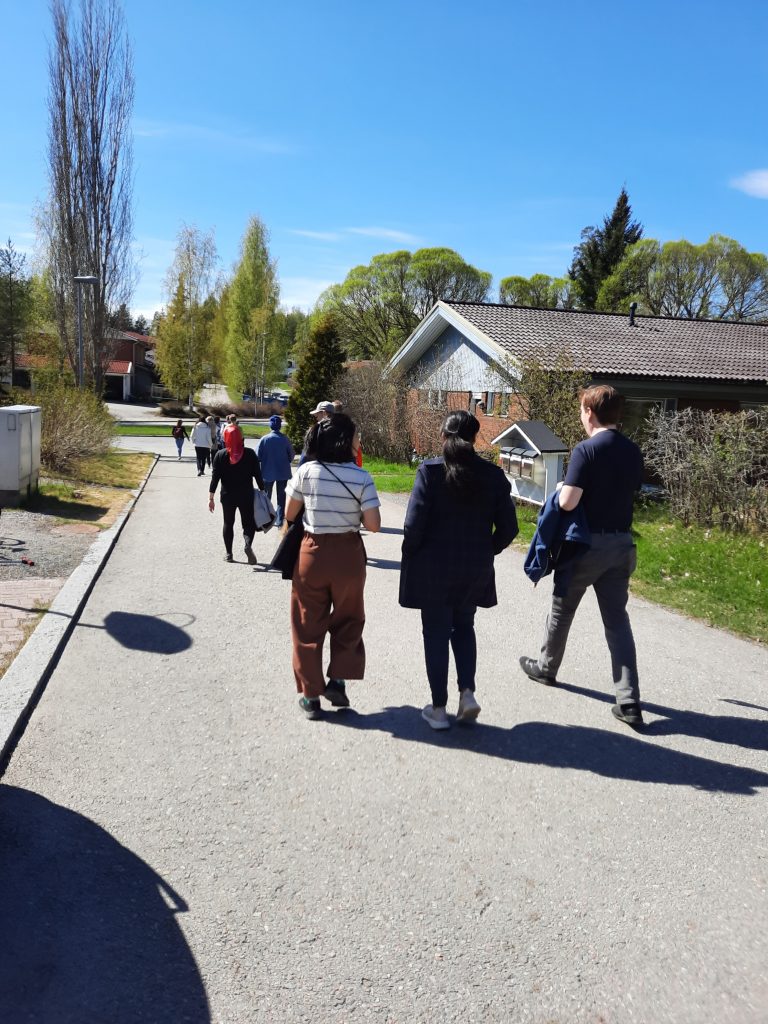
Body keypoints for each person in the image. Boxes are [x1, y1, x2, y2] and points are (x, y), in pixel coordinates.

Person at [518, 385, 645, 727]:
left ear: (589, 412)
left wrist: (560, 490)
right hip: (621, 545)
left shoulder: (586, 451)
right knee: (617, 622)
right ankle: (629, 700)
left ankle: (546, 669)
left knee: (562, 609)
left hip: (587, 545)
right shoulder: (633, 451)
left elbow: (569, 502)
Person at [399, 411, 518, 730]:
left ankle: (438, 710)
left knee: (436, 633)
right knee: (464, 626)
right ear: (476, 438)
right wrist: (485, 550)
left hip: (433, 570)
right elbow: (509, 528)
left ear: (443, 436)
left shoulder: (430, 471)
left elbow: (413, 525)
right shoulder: (493, 476)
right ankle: (467, 694)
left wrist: (410, 554)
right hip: (473, 569)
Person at [284, 413, 381, 719]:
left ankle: (311, 697)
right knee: (349, 618)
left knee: (306, 624)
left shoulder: (307, 471)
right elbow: (374, 525)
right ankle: (337, 680)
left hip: (311, 553)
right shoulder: (362, 477)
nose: (359, 442)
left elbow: (289, 512)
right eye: (356, 436)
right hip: (349, 555)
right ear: (344, 440)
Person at [208, 426, 265, 564]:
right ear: (242, 439)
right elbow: (258, 475)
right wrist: (263, 491)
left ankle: (229, 554)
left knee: (228, 523)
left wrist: (211, 498)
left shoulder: (220, 455)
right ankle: (247, 545)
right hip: (246, 495)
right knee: (248, 523)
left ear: (225, 440)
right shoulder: (250, 454)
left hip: (227, 496)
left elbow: (215, 479)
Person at [257, 415, 295, 527]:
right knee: (281, 496)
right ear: (280, 426)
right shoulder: (285, 439)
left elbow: (258, 456)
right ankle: (279, 520)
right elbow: (291, 455)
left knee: (267, 495)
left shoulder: (264, 439)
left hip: (267, 471)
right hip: (282, 472)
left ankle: (267, 518)